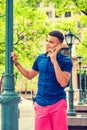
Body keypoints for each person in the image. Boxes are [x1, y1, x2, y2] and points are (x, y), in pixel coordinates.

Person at [11, 30, 73, 130]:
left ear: (60, 45)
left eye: (51, 42)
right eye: (47, 41)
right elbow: (29, 75)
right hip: (41, 104)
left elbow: (63, 82)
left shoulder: (66, 61)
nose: (47, 44)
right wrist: (17, 63)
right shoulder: (40, 58)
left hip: (58, 103)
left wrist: (54, 61)